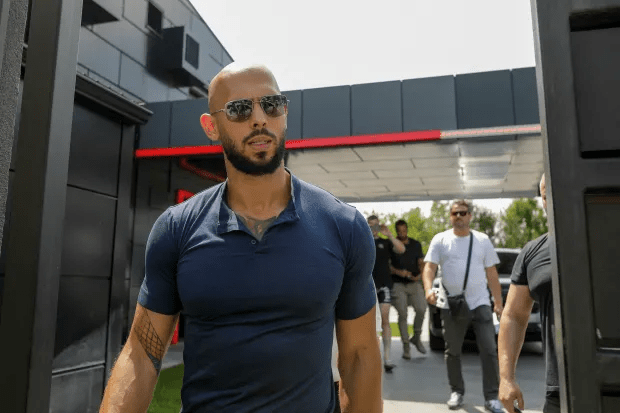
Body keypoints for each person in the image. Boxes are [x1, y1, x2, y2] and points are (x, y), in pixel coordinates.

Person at [99, 63, 382, 413]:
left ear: (285, 114)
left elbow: (359, 358)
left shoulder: (342, 225)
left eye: (271, 104)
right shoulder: (177, 228)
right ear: (211, 127)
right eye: (239, 109)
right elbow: (141, 355)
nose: (259, 118)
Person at [422, 200, 505, 413]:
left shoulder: (482, 240)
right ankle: (456, 391)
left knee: (488, 349)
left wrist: (498, 303)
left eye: (463, 213)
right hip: (452, 304)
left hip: (480, 303)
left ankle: (492, 397)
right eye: (454, 213)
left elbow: (492, 273)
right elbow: (429, 267)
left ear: (469, 216)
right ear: (450, 216)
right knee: (453, 351)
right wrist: (428, 289)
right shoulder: (440, 240)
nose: (458, 216)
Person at [498, 174, 559, 413]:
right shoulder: (533, 253)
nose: (552, 201)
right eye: (546, 196)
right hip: (558, 391)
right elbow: (513, 315)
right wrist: (506, 377)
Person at [367, 215, 405, 372]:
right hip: (367, 287)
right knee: (369, 324)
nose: (374, 229)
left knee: (384, 319)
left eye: (376, 226)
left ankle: (387, 358)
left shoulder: (385, 242)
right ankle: (370, 358)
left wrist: (388, 234)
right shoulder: (363, 241)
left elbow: (401, 249)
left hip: (384, 286)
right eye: (370, 226)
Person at [390, 219, 427, 358]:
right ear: (396, 231)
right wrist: (400, 272)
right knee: (403, 313)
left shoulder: (415, 244)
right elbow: (388, 266)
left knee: (422, 309)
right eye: (399, 231)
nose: (402, 233)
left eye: (404, 231)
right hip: (398, 284)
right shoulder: (391, 245)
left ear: (407, 230)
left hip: (414, 283)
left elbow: (421, 262)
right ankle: (406, 346)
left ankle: (416, 337)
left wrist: (420, 274)